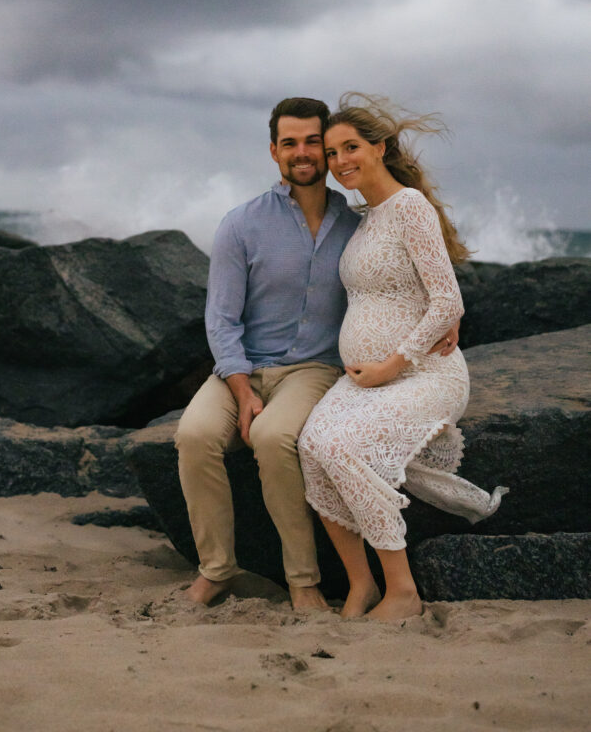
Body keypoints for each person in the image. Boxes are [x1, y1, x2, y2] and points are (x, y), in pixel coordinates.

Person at [175, 97, 459, 610]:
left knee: (275, 436)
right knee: (193, 435)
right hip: (241, 368)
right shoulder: (240, 224)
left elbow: (418, 274)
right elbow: (220, 318)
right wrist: (240, 388)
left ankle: (303, 582)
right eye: (292, 143)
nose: (305, 153)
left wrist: (451, 314)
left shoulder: (357, 222)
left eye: (315, 143)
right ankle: (216, 570)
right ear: (273, 151)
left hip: (312, 369)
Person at [298, 93, 508, 622]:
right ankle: (361, 583)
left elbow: (448, 301)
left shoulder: (410, 206)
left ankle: (403, 590)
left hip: (424, 374)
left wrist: (394, 363)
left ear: (381, 147)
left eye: (352, 147)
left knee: (344, 446)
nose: (342, 160)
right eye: (333, 152)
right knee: (311, 446)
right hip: (370, 379)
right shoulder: (365, 216)